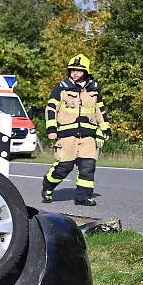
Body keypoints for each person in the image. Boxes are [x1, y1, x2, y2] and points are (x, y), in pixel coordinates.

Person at [41, 54, 109, 206]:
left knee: (88, 167)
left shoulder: (94, 89)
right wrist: (51, 128)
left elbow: (100, 111)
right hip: (67, 136)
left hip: (88, 137)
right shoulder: (62, 87)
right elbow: (51, 108)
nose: (75, 73)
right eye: (72, 70)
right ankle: (48, 185)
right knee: (64, 167)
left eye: (78, 70)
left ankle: (83, 197)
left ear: (86, 71)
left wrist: (105, 129)